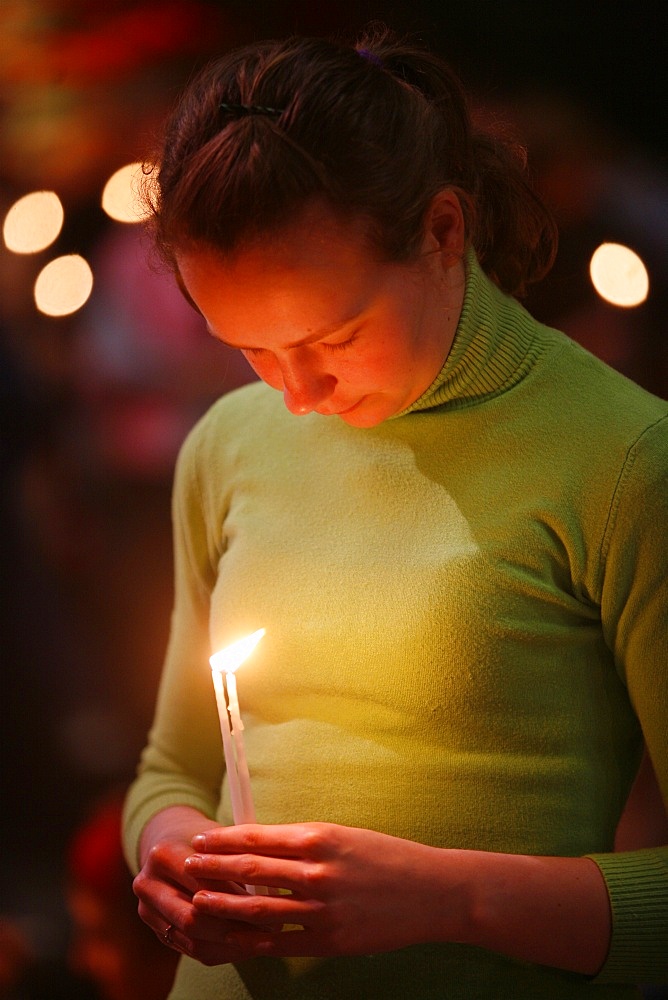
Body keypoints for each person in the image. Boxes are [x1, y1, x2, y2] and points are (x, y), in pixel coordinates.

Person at [122, 27, 668, 1000]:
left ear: (442, 230)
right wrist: (171, 849)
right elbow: (172, 767)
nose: (293, 395)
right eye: (248, 346)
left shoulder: (623, 460)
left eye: (332, 335)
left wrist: (442, 897)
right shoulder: (227, 443)